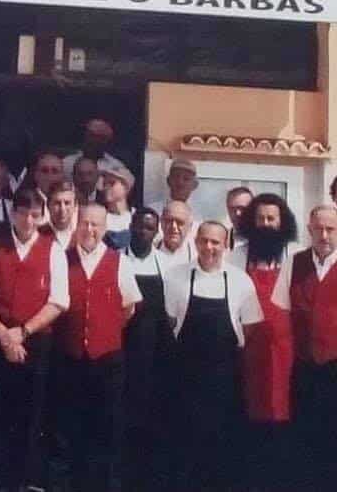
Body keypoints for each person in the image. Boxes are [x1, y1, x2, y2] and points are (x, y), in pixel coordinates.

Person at [0, 188, 69, 492]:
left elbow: (59, 301)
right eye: (24, 214)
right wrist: (2, 335)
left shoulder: (53, 249)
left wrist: (22, 333)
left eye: (36, 215)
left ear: (42, 216)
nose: (29, 221)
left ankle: (17, 483)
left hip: (35, 342)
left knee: (28, 416)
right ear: (13, 213)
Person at [163, 221, 263, 492]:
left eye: (216, 242)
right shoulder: (176, 277)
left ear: (226, 245)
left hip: (225, 377)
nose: (209, 247)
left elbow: (250, 327)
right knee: (185, 445)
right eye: (204, 241)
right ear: (195, 243)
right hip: (186, 375)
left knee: (222, 446)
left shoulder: (241, 281)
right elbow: (171, 321)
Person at [59, 204, 141, 492]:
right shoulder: (62, 260)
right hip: (71, 357)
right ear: (76, 226)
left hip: (107, 360)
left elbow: (128, 307)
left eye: (96, 225)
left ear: (105, 229)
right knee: (71, 427)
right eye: (85, 224)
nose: (90, 230)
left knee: (106, 428)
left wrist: (103, 331)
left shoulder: (120, 262)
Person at [231, 194, 297, 491]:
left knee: (284, 420)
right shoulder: (235, 257)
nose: (266, 225)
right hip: (246, 354)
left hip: (286, 354)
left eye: (272, 219)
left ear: (283, 223)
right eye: (261, 219)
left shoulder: (295, 257)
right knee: (245, 419)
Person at [271, 205, 337, 492]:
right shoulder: (292, 265)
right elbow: (282, 312)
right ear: (309, 230)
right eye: (318, 229)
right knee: (304, 435)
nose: (324, 235)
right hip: (305, 367)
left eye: (331, 229)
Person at [121, 208, 173, 492]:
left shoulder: (166, 265)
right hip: (123, 349)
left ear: (157, 232)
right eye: (139, 226)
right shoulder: (117, 260)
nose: (143, 232)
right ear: (130, 226)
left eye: (149, 228)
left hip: (155, 353)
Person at [62, 119, 128, 184]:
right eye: (90, 135)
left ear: (107, 141)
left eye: (99, 137)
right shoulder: (67, 163)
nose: (92, 140)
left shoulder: (117, 167)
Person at [101, 165, 135, 251]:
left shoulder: (136, 216)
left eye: (112, 183)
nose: (106, 187)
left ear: (126, 188)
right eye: (105, 184)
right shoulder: (100, 217)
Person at [39, 180, 77, 250]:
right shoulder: (36, 236)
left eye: (67, 203)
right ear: (48, 206)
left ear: (75, 206)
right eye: (57, 203)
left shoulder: (83, 236)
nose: (62, 209)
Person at [157, 201, 195, 271]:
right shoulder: (150, 252)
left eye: (180, 222)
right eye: (169, 221)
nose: (173, 226)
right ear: (161, 223)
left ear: (190, 226)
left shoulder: (197, 255)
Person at [225, 186, 253, 255]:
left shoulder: (265, 239)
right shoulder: (222, 240)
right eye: (232, 209)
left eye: (242, 208)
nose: (238, 213)